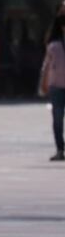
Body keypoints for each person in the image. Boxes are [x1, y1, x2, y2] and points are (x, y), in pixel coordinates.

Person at [39, 15, 65, 161]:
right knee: (57, 119)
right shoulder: (53, 46)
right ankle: (60, 149)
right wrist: (43, 83)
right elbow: (46, 66)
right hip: (56, 87)